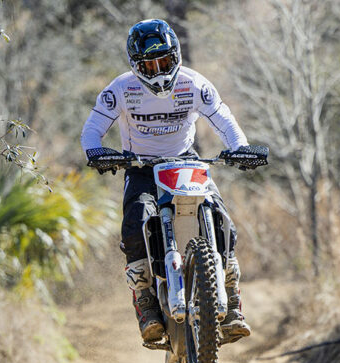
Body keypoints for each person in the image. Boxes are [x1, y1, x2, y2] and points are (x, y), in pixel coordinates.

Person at [80, 19, 252, 344]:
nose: (159, 71)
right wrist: (98, 153)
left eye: (165, 62)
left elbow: (224, 120)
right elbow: (91, 131)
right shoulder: (120, 89)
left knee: (223, 220)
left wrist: (240, 149)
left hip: (185, 160)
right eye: (150, 64)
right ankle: (144, 300)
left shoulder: (194, 83)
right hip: (141, 167)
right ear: (136, 65)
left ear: (176, 57)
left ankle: (232, 298)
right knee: (134, 225)